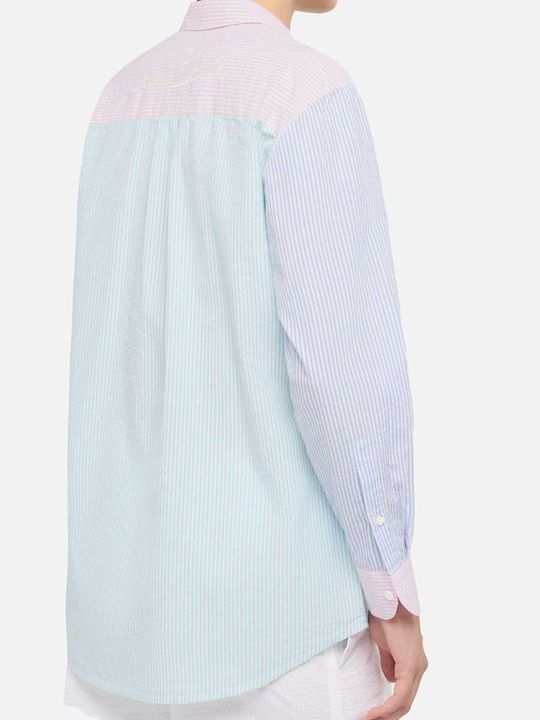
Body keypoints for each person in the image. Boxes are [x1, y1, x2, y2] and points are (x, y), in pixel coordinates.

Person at [65, 1, 428, 718]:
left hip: (119, 634)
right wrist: (390, 587)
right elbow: (339, 374)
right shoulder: (304, 90)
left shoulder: (121, 95)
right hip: (281, 629)